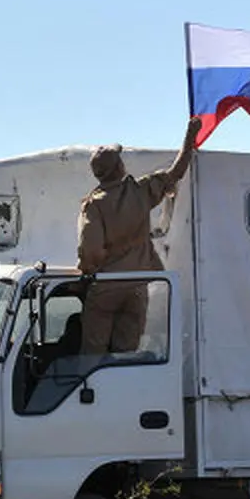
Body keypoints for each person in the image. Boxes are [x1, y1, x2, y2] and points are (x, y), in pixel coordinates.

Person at [75, 116, 203, 355]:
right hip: (136, 285)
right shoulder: (140, 191)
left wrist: (86, 271)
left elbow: (90, 251)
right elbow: (176, 172)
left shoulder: (94, 206)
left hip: (105, 288)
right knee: (125, 356)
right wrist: (190, 135)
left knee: (92, 357)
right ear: (119, 168)